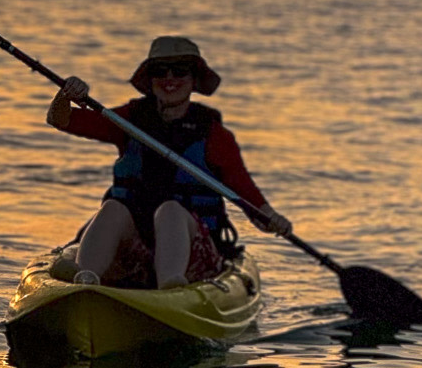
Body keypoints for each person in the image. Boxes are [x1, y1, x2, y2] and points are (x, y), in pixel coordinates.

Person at [47, 34, 291, 288]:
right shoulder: (129, 119)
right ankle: (85, 278)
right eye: (160, 71)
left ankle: (171, 284)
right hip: (136, 248)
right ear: (150, 79)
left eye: (180, 70)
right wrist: (65, 96)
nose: (170, 78)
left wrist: (273, 219)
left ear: (194, 79)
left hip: (193, 250)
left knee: (170, 211)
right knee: (113, 208)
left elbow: (249, 197)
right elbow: (61, 119)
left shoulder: (215, 136)